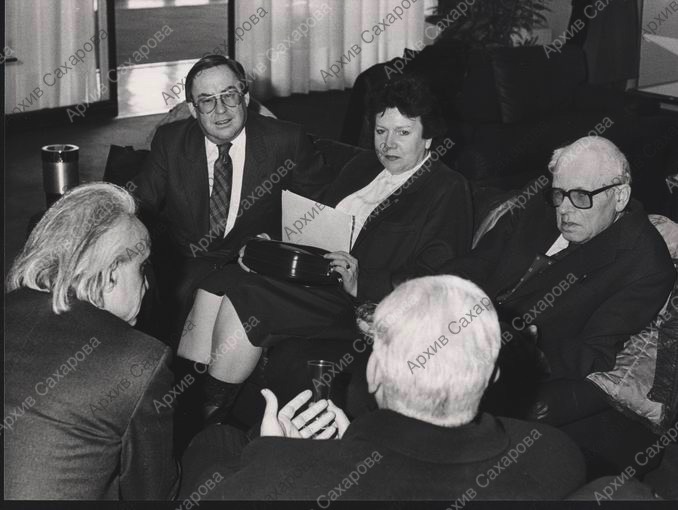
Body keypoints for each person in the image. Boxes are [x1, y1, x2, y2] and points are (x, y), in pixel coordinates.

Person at [178, 75, 474, 422]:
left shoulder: (447, 189)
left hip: (361, 303)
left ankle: (210, 418)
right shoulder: (363, 166)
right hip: (316, 276)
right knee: (218, 280)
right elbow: (317, 220)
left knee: (248, 296)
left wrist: (362, 281)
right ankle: (185, 405)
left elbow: (437, 280)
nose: (388, 144)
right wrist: (278, 245)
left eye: (403, 132)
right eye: (381, 131)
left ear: (428, 137)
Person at [178, 275, 586, 500]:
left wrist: (271, 451)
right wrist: (349, 444)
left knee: (215, 441)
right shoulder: (555, 456)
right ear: (492, 377)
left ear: (373, 372)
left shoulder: (280, 481)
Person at [437, 136, 677, 424]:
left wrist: (523, 354)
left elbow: (593, 351)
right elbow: (480, 263)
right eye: (559, 194)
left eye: (581, 197)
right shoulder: (539, 204)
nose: (564, 209)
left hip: (504, 363)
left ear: (620, 196)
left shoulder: (646, 265)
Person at [132, 54, 331, 342]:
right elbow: (139, 203)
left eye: (229, 95)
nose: (221, 110)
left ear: (245, 97)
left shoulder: (287, 140)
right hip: (186, 262)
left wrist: (274, 244)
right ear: (192, 109)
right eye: (207, 100)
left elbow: (319, 210)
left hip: (253, 266)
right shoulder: (170, 141)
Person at [4, 183, 179, 500]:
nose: (147, 285)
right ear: (111, 272)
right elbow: (153, 496)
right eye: (142, 267)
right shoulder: (139, 360)